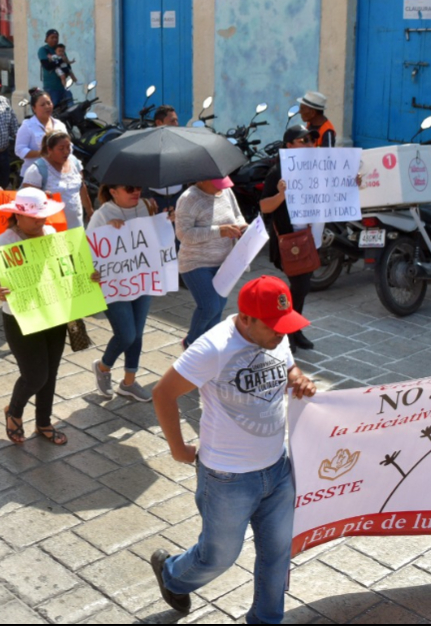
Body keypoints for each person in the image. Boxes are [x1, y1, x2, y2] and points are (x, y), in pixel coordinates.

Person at [150, 275, 318, 622]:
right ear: (246, 318)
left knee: (277, 554)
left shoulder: (276, 339)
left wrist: (298, 377)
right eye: (274, 327)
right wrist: (178, 448)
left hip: (278, 468)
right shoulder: (212, 348)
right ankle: (172, 574)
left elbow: (288, 366)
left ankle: (265, 619)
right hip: (227, 478)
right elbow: (163, 393)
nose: (282, 333)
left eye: (286, 325)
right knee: (219, 557)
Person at [0, 188, 94, 446]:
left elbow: (67, 269)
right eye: (34, 217)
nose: (40, 221)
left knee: (51, 372)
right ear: (18, 216)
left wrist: (87, 277)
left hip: (53, 313)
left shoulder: (52, 234)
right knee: (35, 376)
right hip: (20, 318)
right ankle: (14, 411)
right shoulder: (4, 242)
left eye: (42, 216)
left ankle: (43, 421)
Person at [89, 183, 160, 402]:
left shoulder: (146, 206)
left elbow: (154, 239)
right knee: (126, 334)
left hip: (140, 280)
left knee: (137, 334)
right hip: (114, 284)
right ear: (113, 191)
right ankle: (103, 368)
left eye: (137, 187)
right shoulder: (102, 215)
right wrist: (107, 232)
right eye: (129, 188)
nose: (136, 191)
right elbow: (87, 250)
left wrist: (165, 220)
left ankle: (129, 383)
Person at [259, 125, 321, 353]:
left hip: (312, 238)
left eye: (311, 141)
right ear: (289, 146)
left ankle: (293, 330)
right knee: (300, 286)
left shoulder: (319, 168)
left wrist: (351, 181)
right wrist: (282, 195)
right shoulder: (278, 172)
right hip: (292, 241)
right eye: (303, 141)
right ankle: (287, 331)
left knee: (301, 288)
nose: (309, 145)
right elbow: (264, 206)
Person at [176, 177, 246, 348]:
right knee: (209, 306)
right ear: (201, 179)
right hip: (196, 263)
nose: (220, 189)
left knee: (218, 308)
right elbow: (183, 235)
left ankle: (208, 348)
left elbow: (237, 214)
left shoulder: (227, 192)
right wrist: (218, 231)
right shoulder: (188, 199)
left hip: (224, 262)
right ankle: (191, 343)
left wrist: (243, 227)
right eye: (217, 184)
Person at [22, 129, 92, 231]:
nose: (66, 152)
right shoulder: (37, 170)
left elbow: (82, 187)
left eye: (68, 147)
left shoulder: (75, 162)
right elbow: (26, 203)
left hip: (76, 226)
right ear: (49, 149)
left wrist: (89, 210)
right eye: (61, 148)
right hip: (50, 230)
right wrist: (42, 197)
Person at [15, 90, 67, 179]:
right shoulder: (27, 126)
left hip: (56, 175)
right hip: (33, 175)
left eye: (49, 103)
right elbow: (20, 150)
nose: (47, 107)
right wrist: (43, 153)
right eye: (42, 105)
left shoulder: (60, 125)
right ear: (34, 108)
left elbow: (69, 147)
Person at [147, 105, 182, 215]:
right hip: (156, 200)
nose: (176, 124)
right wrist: (147, 196)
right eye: (172, 121)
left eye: (177, 120)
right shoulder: (148, 143)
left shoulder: (180, 141)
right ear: (159, 122)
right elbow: (141, 170)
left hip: (178, 198)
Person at [37, 29, 72, 107]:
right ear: (46, 39)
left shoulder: (60, 50)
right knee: (54, 110)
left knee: (70, 107)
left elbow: (68, 66)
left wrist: (66, 72)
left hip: (63, 87)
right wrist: (60, 61)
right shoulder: (43, 50)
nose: (55, 39)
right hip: (51, 88)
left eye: (56, 37)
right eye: (52, 37)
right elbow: (47, 66)